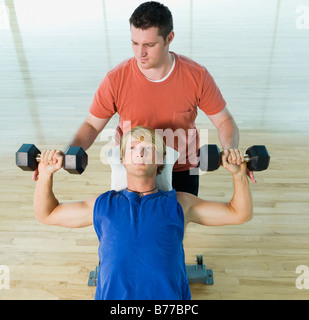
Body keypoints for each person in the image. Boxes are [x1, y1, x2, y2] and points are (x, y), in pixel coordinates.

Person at [33, 1, 253, 194]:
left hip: (181, 167)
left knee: (177, 225)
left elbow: (224, 121)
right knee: (130, 229)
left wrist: (231, 149)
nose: (140, 53)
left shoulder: (197, 76)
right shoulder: (115, 79)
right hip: (132, 167)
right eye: (135, 43)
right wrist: (70, 152)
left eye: (149, 45)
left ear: (169, 38)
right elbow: (92, 125)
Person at [33, 126, 253, 300]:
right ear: (122, 160)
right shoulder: (103, 204)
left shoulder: (179, 204)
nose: (139, 152)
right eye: (131, 149)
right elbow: (48, 213)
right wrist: (45, 174)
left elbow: (239, 213)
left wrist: (238, 174)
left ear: (160, 160)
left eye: (148, 147)